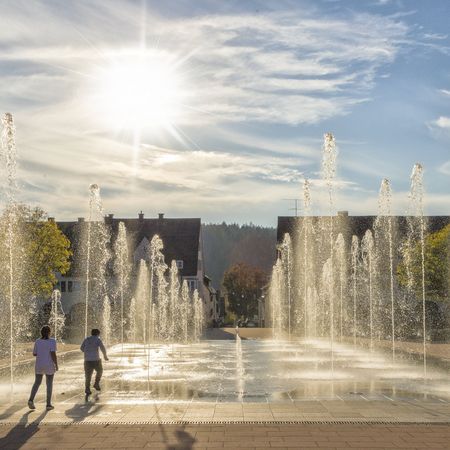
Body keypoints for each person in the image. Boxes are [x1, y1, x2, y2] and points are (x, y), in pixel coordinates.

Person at [28, 325, 58, 411]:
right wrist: (56, 364)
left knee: (37, 383)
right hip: (49, 365)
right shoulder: (52, 341)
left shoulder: (37, 341)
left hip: (39, 364)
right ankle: (48, 404)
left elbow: (34, 353)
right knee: (49, 384)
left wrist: (42, 351)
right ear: (49, 332)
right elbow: (53, 354)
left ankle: (31, 400)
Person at [80, 328, 109, 396]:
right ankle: (96, 383)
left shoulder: (86, 339)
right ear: (98, 334)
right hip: (96, 360)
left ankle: (87, 389)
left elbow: (81, 348)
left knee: (88, 375)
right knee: (100, 371)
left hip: (87, 360)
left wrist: (87, 352)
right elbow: (102, 348)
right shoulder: (98, 339)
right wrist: (105, 356)